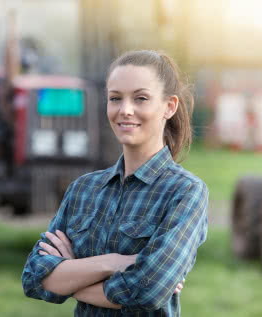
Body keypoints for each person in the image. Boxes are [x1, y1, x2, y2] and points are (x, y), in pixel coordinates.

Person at [22, 50, 208, 316]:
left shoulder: (186, 192)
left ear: (169, 106)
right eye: (115, 98)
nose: (125, 110)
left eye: (141, 98)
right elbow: (33, 277)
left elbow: (147, 290)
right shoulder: (83, 189)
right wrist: (110, 263)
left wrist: (69, 275)